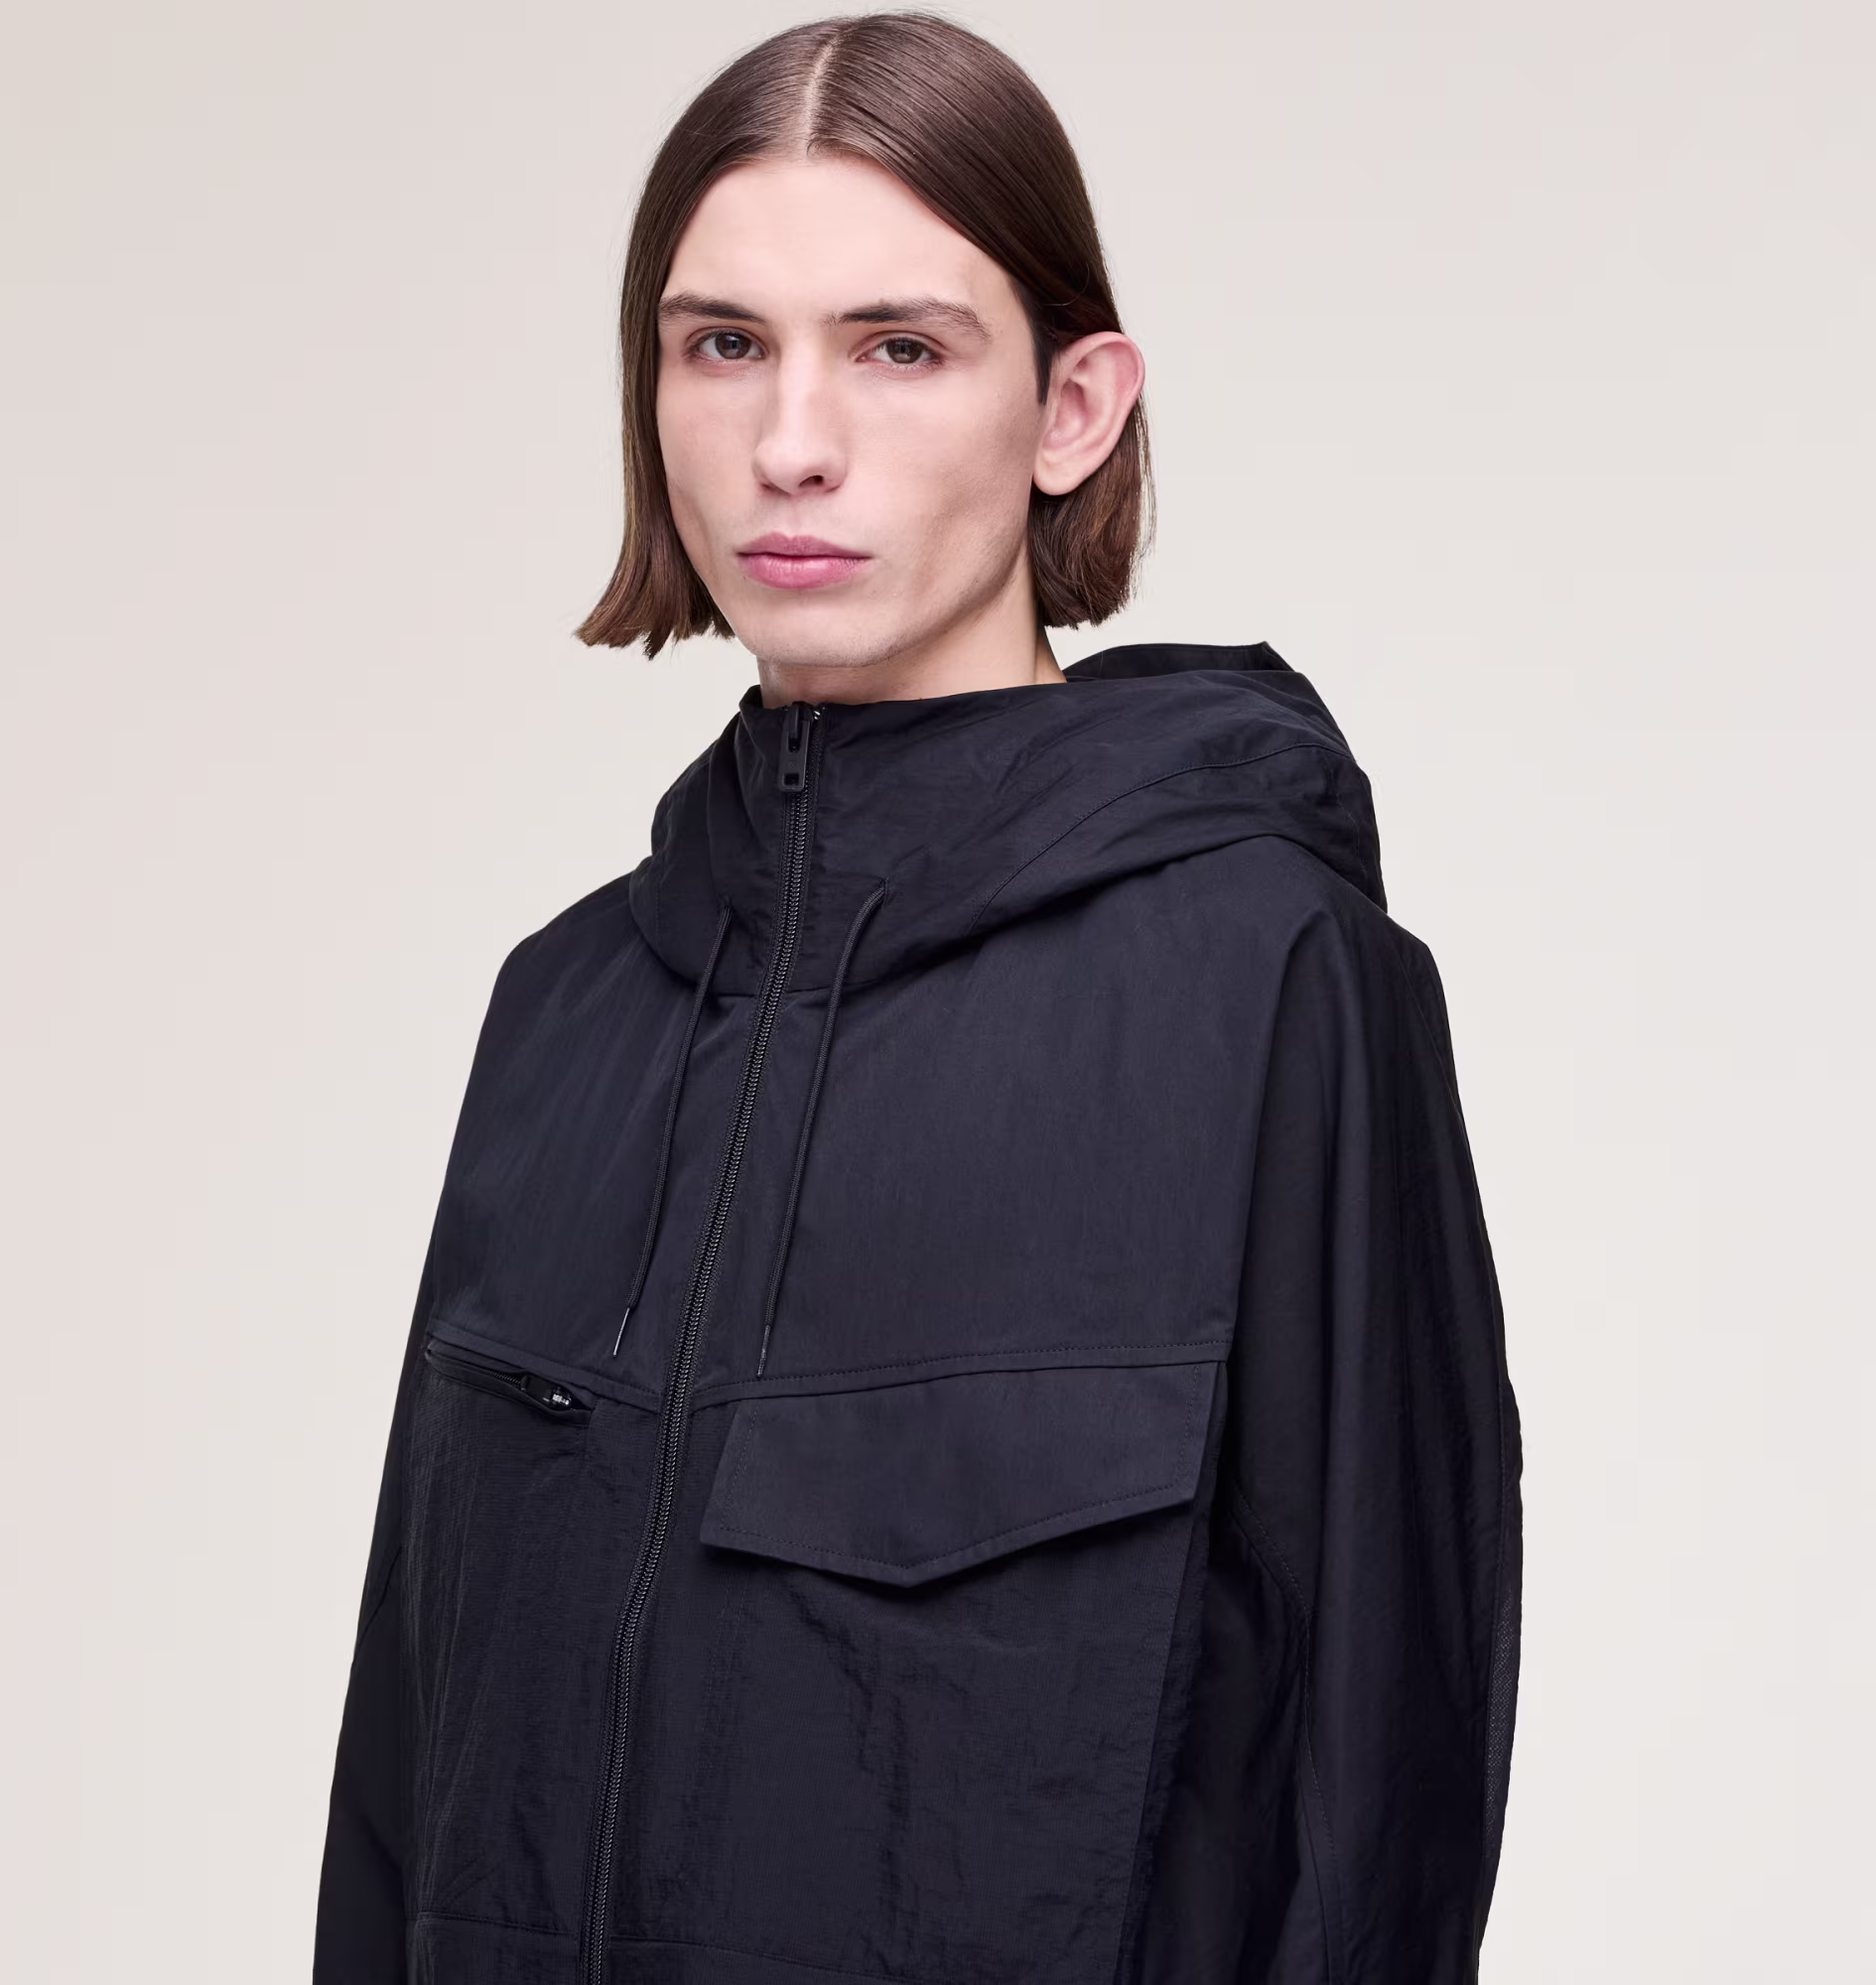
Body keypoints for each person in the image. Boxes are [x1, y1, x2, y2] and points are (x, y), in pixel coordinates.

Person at [313, 14, 1523, 1983]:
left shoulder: (1269, 982)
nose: (792, 441)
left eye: (899, 348)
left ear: (1072, 410)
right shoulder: (564, 1011)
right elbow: (404, 1777)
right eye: (724, 345)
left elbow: (1372, 1801)